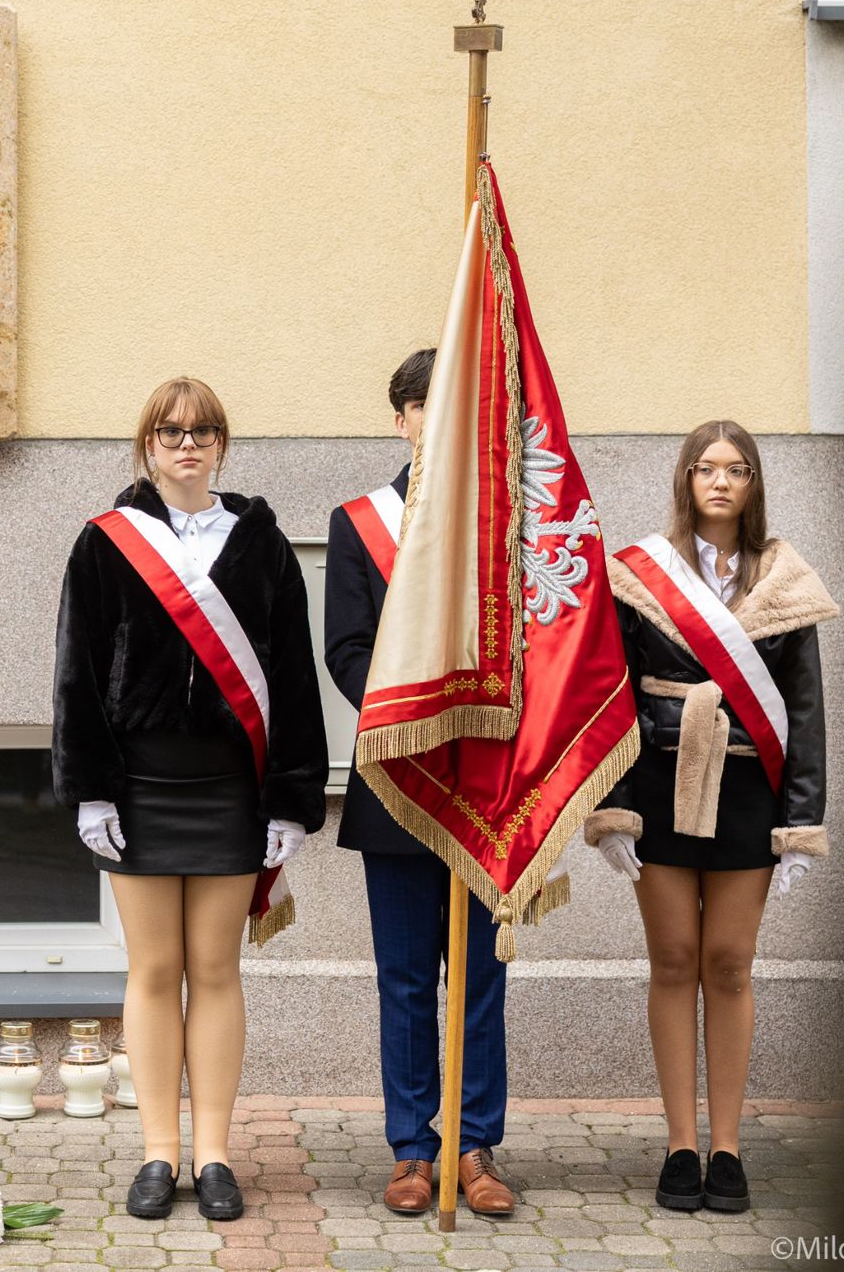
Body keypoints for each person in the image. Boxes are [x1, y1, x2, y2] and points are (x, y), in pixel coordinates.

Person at [51, 376, 329, 1222]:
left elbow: (292, 676)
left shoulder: (262, 544)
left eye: (203, 431)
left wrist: (290, 797)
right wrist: (90, 790)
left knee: (214, 968)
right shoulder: (105, 542)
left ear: (222, 446)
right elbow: (77, 674)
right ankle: (157, 1153)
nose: (187, 444)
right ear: (147, 445)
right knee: (154, 968)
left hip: (229, 789)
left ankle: (212, 1153)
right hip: (136, 787)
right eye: (171, 432)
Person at [582, 420, 837, 1214]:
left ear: (754, 484)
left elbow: (804, 710)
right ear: (685, 480)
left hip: (747, 793)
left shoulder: (784, 579)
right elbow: (610, 696)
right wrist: (614, 807)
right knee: (673, 957)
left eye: (736, 469)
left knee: (728, 961)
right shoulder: (639, 576)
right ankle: (680, 1144)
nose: (720, 482)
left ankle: (727, 1147)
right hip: (657, 787)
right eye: (706, 468)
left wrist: (801, 821)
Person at [322, 348, 516, 1218]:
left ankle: (473, 1147)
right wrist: (421, 709)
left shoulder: (506, 526)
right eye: (423, 407)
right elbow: (348, 650)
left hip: (485, 783)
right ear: (399, 416)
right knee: (405, 979)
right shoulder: (359, 521)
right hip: (398, 784)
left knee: (479, 977)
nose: (439, 421)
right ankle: (412, 1149)